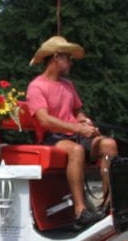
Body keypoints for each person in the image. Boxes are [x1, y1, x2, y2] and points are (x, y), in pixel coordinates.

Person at [26, 35, 118, 229]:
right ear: (56, 57)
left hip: (74, 135)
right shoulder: (37, 86)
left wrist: (84, 121)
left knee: (109, 144)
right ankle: (80, 211)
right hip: (53, 137)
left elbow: (77, 110)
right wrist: (78, 128)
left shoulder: (68, 85)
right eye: (68, 58)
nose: (70, 63)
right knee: (76, 150)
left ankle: (109, 204)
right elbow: (44, 120)